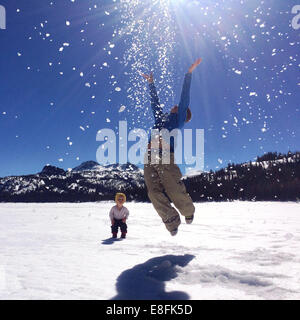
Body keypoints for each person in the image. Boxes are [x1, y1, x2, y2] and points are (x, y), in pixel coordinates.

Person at [142, 58, 202, 236]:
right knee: (153, 192)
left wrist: (189, 74)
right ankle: (171, 220)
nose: (174, 106)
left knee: (172, 186)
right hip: (149, 155)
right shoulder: (162, 119)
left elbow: (184, 99)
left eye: (178, 108)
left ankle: (188, 211)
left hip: (165, 155)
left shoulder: (178, 120)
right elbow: (155, 105)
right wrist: (151, 84)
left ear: (184, 116)